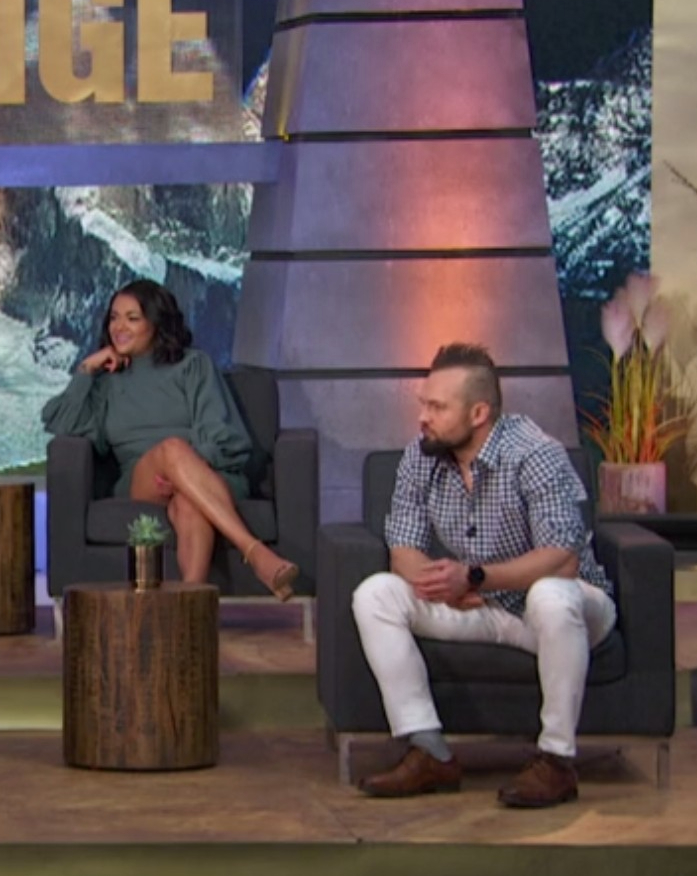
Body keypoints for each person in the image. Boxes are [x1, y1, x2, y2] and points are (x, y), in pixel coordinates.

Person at [351, 342, 614, 809]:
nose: (423, 417)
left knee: (551, 596)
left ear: (478, 413)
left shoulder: (535, 453)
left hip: (569, 609)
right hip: (483, 606)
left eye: (437, 407)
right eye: (423, 404)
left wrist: (474, 578)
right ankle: (429, 751)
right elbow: (403, 550)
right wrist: (442, 587)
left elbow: (562, 560)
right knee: (375, 594)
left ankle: (556, 761)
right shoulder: (421, 455)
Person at [40, 279, 297, 598]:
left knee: (188, 503)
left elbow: (223, 436)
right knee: (172, 449)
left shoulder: (193, 366)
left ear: (156, 323)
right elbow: (59, 421)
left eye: (132, 318)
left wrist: (182, 471)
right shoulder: (107, 382)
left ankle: (191, 604)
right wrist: (86, 368)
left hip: (209, 475)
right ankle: (256, 554)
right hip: (143, 479)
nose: (119, 327)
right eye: (114, 318)